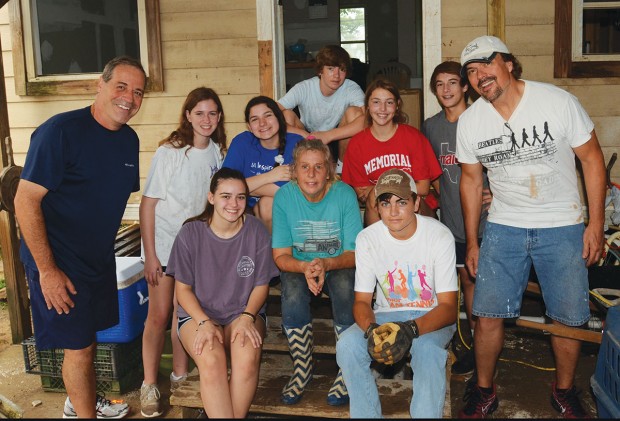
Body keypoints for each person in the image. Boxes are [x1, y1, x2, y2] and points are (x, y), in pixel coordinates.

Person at [456, 36, 606, 418]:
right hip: (504, 226)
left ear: (508, 62)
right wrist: (473, 241)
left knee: (568, 317)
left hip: (563, 224)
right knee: (486, 314)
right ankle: (484, 389)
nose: (479, 76)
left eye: (485, 64)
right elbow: (471, 182)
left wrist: (596, 225)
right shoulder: (472, 121)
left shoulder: (557, 102)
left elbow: (591, 160)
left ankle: (565, 391)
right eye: (471, 71)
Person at [13, 56, 146, 419]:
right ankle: (83, 412)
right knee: (80, 346)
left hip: (97, 257)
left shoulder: (129, 141)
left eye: (137, 92)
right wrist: (47, 271)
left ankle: (80, 401)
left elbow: (105, 199)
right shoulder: (60, 131)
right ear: (99, 86)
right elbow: (24, 200)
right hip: (57, 257)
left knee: (91, 339)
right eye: (121, 87)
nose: (129, 98)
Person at [336, 168, 458, 418]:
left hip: (431, 315)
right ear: (377, 208)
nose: (393, 211)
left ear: (416, 203)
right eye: (385, 202)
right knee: (348, 345)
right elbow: (361, 301)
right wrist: (371, 330)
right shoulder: (367, 238)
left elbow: (448, 308)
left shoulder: (439, 236)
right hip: (386, 314)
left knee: (427, 350)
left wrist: (411, 329)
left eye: (401, 202)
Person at [139, 87, 227, 417]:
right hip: (163, 248)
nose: (207, 119)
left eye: (213, 113)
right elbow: (148, 206)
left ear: (219, 118)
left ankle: (179, 376)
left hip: (195, 250)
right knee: (159, 316)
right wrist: (150, 255)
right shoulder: (170, 152)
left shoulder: (218, 153)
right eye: (200, 112)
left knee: (183, 315)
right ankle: (149, 383)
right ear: (187, 115)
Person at [166, 168, 278, 418]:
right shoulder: (190, 233)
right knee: (211, 359)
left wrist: (249, 316)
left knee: (247, 354)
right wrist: (204, 322)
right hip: (199, 314)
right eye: (226, 196)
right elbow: (182, 290)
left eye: (240, 197)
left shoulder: (257, 231)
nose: (234, 204)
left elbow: (261, 286)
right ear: (211, 197)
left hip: (243, 312)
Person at [272, 138, 363, 406]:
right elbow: (280, 256)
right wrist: (305, 267)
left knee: (347, 286)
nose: (311, 174)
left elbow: (355, 254)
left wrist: (326, 264)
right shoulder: (284, 197)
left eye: (318, 167)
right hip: (299, 263)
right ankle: (302, 366)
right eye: (304, 167)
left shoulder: (344, 193)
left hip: (338, 263)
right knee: (291, 291)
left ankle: (347, 366)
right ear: (294, 171)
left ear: (329, 171)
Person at [422, 60, 491, 377]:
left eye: (453, 82)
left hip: (489, 222)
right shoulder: (431, 127)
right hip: (452, 223)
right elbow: (430, 174)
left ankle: (485, 354)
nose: (446, 89)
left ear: (466, 86)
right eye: (440, 84)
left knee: (485, 292)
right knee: (466, 283)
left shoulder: (484, 118)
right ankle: (472, 351)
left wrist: (498, 192)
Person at [341, 78, 442, 225]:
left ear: (397, 106)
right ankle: (378, 246)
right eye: (376, 102)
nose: (382, 109)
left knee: (405, 201)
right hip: (380, 214)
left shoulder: (414, 138)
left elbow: (423, 188)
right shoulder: (357, 144)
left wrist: (379, 188)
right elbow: (363, 194)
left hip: (418, 211)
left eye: (389, 102)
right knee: (374, 200)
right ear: (367, 106)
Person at [277, 45, 365, 171]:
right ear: (320, 71)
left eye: (342, 69)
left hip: (337, 138)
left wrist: (328, 135)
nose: (336, 75)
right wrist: (304, 134)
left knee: (355, 113)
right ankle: (296, 168)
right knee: (286, 115)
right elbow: (272, 111)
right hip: (307, 136)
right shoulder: (304, 87)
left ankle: (342, 169)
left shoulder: (351, 88)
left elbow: (369, 119)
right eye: (330, 69)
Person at [223, 95, 303, 232]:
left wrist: (243, 188)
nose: (262, 123)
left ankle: (276, 251)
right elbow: (224, 185)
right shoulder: (243, 142)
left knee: (268, 203)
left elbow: (286, 191)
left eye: (268, 116)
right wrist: (269, 176)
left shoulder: (295, 143)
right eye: (255, 119)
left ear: (279, 118)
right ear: (249, 126)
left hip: (289, 211)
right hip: (244, 208)